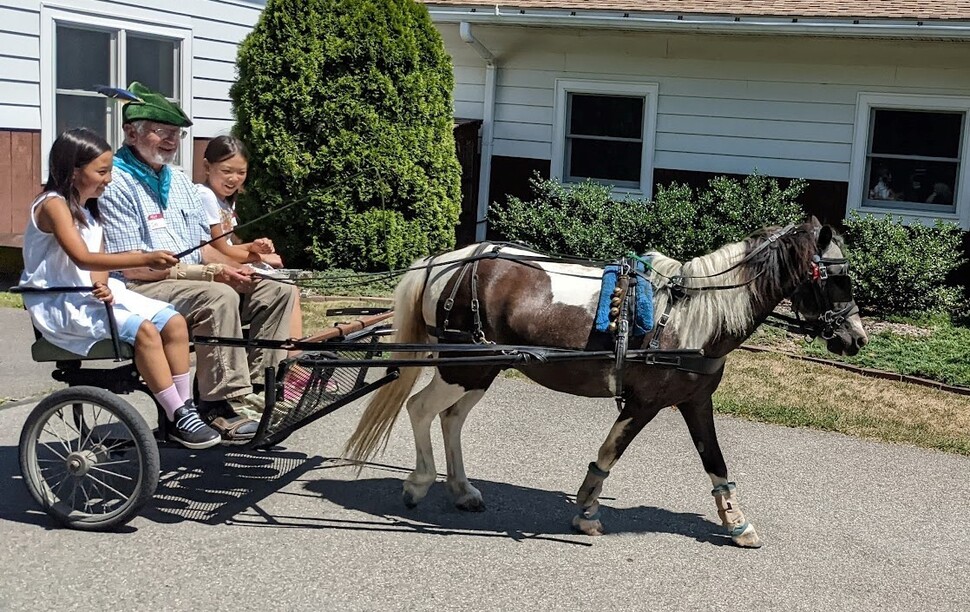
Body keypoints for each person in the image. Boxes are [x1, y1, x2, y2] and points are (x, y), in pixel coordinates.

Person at [96, 82, 297, 442]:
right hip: (144, 287)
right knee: (218, 298)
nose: (171, 141)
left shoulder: (179, 181)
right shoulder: (117, 183)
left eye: (175, 134)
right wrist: (211, 274)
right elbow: (133, 268)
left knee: (276, 289)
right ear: (130, 132)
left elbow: (205, 249)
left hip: (190, 277)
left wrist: (239, 266)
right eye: (162, 132)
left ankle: (259, 388)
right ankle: (218, 405)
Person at [19, 128, 221, 449]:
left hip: (88, 297)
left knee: (174, 322)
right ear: (73, 170)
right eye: (102, 171)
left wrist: (103, 287)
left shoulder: (90, 212)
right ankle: (178, 411)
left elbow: (96, 270)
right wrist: (145, 257)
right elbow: (83, 257)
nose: (109, 179)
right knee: (144, 331)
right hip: (62, 304)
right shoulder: (52, 205)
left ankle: (183, 412)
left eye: (110, 170)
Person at [196, 135, 304, 349]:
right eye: (227, 171)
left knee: (288, 290)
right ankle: (294, 362)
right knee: (286, 289)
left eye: (241, 173)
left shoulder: (225, 201)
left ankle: (291, 360)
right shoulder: (205, 195)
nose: (234, 179)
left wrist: (252, 247)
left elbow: (227, 245)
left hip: (226, 263)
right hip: (213, 271)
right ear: (207, 167)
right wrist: (260, 257)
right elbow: (219, 248)